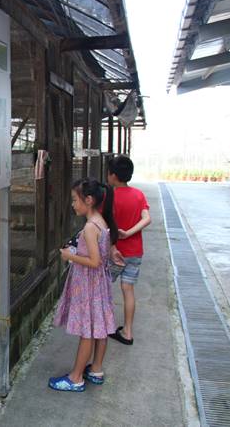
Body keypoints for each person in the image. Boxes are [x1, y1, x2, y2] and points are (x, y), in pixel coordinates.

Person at [48, 178, 118, 392]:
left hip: (89, 285)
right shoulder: (101, 221)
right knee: (99, 327)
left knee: (87, 331)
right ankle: (96, 369)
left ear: (88, 200)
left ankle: (76, 377)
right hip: (99, 285)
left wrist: (70, 255)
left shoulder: (90, 227)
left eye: (74, 199)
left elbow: (94, 261)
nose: (72, 204)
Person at [107, 155, 151, 346]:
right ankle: (127, 332)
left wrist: (117, 240)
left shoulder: (111, 196)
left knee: (105, 287)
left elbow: (107, 225)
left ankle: (105, 325)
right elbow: (146, 218)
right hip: (135, 251)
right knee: (128, 290)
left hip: (116, 252)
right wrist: (130, 233)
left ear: (113, 176)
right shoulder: (139, 194)